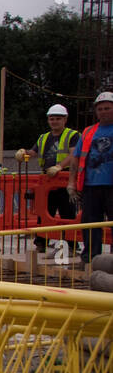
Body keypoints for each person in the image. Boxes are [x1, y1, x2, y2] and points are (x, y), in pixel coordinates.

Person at [18, 103, 80, 252]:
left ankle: (70, 245)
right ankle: (41, 243)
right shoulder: (44, 138)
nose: (54, 121)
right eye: (52, 119)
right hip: (47, 180)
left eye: (58, 118)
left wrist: (59, 166)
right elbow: (33, 152)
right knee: (44, 212)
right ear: (48, 120)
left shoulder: (72, 135)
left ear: (65, 119)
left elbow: (74, 155)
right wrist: (23, 154)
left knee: (67, 213)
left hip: (65, 179)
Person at [60, 91, 113, 266]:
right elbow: (76, 158)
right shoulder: (89, 132)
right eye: (100, 109)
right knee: (90, 223)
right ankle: (90, 258)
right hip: (91, 186)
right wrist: (71, 182)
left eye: (107, 108)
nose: (104, 111)